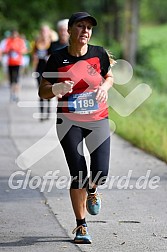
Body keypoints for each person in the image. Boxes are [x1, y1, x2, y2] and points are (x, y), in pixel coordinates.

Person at [39, 12, 114, 244]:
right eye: (80, 26)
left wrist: (106, 87)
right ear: (70, 30)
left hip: (98, 119)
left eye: (89, 28)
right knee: (78, 173)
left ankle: (93, 189)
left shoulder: (99, 53)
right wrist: (57, 88)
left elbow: (108, 76)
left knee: (100, 172)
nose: (85, 31)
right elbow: (43, 91)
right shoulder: (56, 58)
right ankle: (81, 226)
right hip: (68, 122)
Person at [32, 24, 52, 121]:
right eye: (42, 31)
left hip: (48, 70)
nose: (44, 33)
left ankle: (48, 111)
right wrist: (34, 68)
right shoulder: (36, 43)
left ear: (49, 32)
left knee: (48, 90)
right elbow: (34, 56)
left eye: (46, 31)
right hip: (39, 69)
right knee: (40, 91)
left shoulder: (51, 43)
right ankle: (41, 113)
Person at [4, 30, 27, 102]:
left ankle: (17, 95)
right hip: (10, 63)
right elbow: (5, 50)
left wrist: (17, 50)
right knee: (11, 80)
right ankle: (11, 95)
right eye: (13, 34)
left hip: (18, 63)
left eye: (15, 34)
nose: (14, 36)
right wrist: (10, 50)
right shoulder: (8, 41)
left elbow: (25, 50)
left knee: (17, 79)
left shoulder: (20, 41)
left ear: (17, 35)